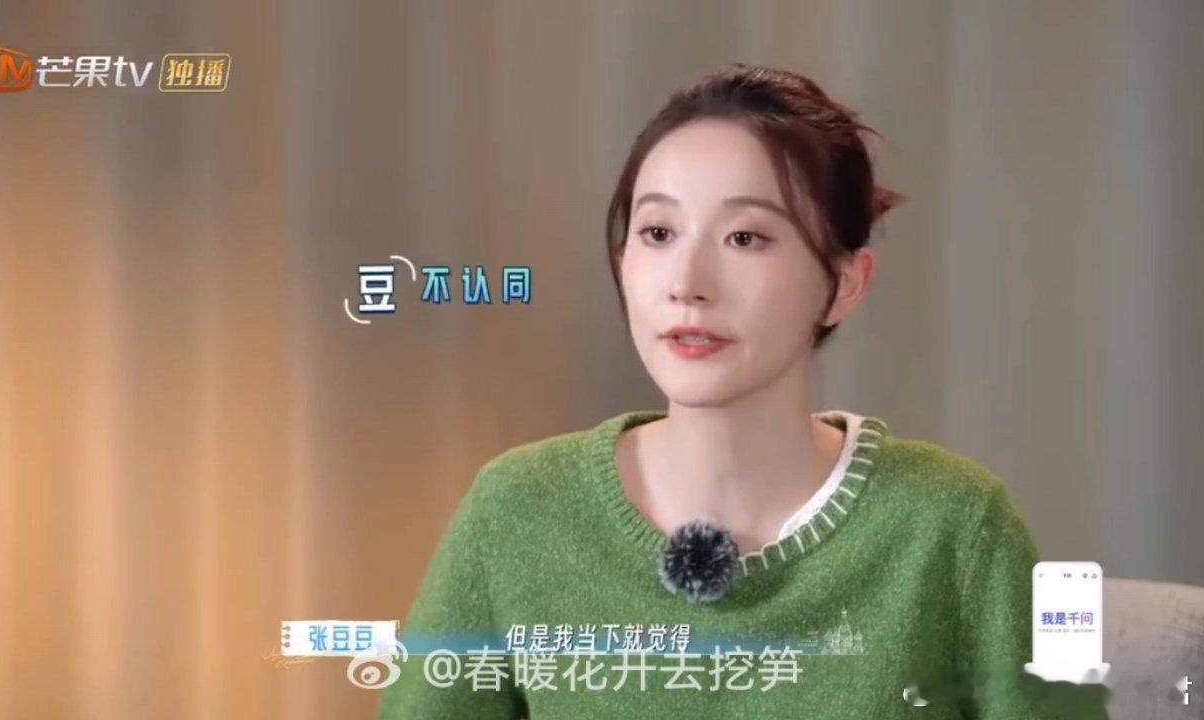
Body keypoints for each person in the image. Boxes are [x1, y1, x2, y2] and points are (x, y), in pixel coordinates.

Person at [377, 63, 1062, 719]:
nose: (688, 282)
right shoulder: (519, 509)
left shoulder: (955, 525)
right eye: (658, 233)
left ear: (845, 282)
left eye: (745, 237)